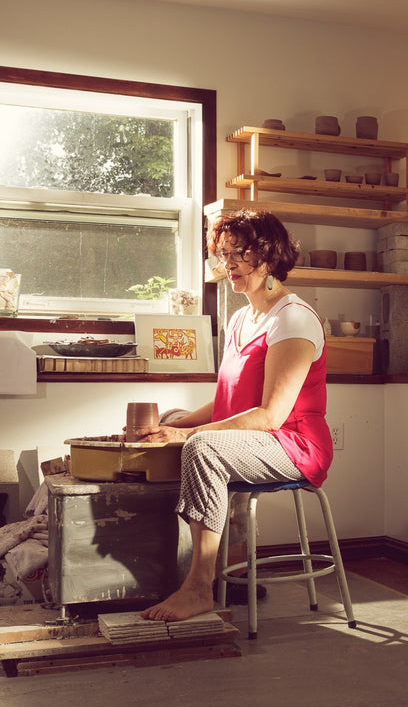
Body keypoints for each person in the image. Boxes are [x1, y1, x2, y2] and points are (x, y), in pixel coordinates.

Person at [131, 209, 331, 622]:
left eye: (239, 252)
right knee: (173, 416)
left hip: (293, 445)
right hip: (254, 436)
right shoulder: (241, 318)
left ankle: (199, 587)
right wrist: (173, 426)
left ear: (270, 255)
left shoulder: (292, 318)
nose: (229, 264)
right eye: (223, 254)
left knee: (200, 446)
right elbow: (228, 401)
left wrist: (187, 437)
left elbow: (271, 415)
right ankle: (172, 561)